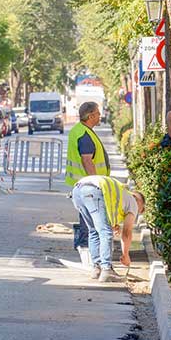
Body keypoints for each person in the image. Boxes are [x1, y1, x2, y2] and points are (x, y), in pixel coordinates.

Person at [71, 175, 145, 282]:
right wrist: (125, 255)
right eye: (139, 210)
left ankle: (97, 268)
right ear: (139, 202)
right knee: (105, 232)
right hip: (93, 190)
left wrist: (113, 223)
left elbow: (106, 211)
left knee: (94, 231)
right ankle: (106, 269)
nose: (135, 213)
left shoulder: (122, 195)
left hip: (77, 191)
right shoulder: (133, 202)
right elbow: (127, 233)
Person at [66, 102, 110, 250]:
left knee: (86, 217)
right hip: (88, 186)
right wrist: (97, 183)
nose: (100, 116)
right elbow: (87, 160)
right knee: (90, 220)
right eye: (97, 113)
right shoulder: (84, 134)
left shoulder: (79, 130)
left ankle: (85, 246)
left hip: (81, 184)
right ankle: (86, 248)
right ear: (90, 116)